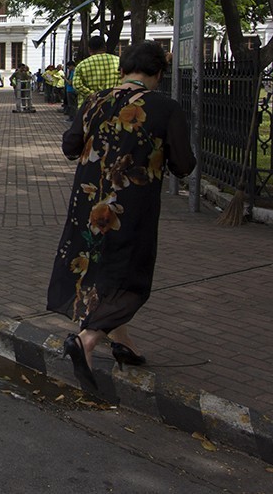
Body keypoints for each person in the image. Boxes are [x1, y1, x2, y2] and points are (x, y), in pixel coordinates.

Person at [46, 40, 196, 391]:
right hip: (132, 208)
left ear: (122, 69)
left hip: (88, 205)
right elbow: (184, 164)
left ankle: (125, 345)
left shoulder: (95, 101)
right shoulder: (165, 107)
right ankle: (86, 341)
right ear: (159, 72)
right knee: (130, 277)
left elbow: (70, 147)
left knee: (97, 269)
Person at [71, 36, 120, 107]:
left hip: (89, 107)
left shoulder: (82, 65)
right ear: (104, 47)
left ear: (89, 49)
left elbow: (76, 85)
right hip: (113, 106)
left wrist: (92, 94)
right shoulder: (118, 61)